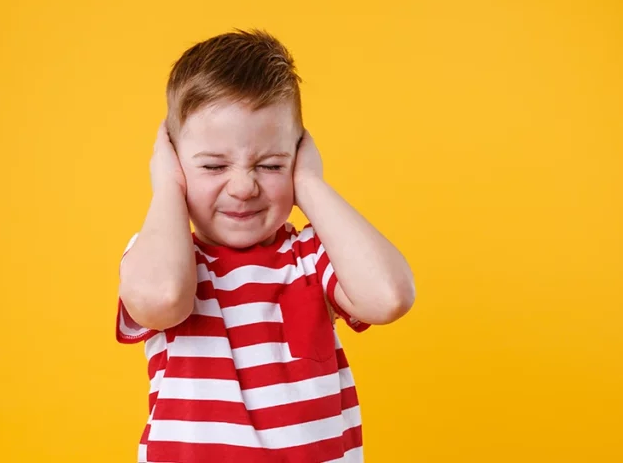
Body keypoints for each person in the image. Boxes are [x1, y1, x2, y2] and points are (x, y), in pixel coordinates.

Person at [114, 29, 415, 462]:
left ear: (297, 157)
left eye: (271, 164)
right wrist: (165, 188)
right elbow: (161, 299)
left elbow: (389, 297)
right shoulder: (162, 256)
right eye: (214, 165)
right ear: (175, 163)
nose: (243, 186)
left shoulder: (311, 256)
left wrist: (310, 184)